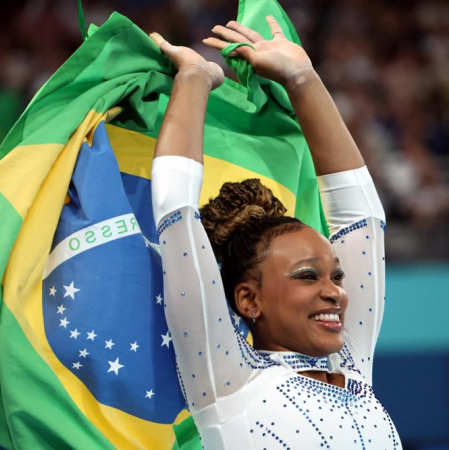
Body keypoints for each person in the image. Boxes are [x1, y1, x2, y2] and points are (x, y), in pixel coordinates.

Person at [149, 15, 401, 449]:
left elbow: (362, 219)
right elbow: (177, 216)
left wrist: (302, 77)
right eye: (308, 275)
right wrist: (194, 78)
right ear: (249, 299)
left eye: (336, 276)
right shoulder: (227, 380)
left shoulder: (354, 366)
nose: (336, 292)